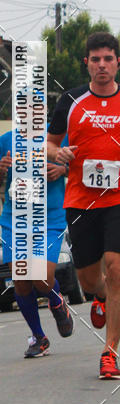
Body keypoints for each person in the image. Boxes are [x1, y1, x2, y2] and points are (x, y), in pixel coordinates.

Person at [48, 31, 120, 379]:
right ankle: (101, 297)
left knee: (116, 269)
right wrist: (57, 153)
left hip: (118, 200)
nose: (102, 65)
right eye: (96, 59)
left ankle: (109, 353)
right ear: (87, 63)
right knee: (90, 279)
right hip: (81, 200)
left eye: (108, 58)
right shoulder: (71, 100)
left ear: (117, 62)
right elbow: (47, 144)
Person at [0, 129, 73, 357]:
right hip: (15, 220)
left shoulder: (57, 137)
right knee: (22, 281)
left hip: (49, 218)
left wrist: (62, 169)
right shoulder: (5, 140)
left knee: (42, 279)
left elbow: (81, 167)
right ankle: (39, 337)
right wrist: (0, 170)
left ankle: (57, 302)